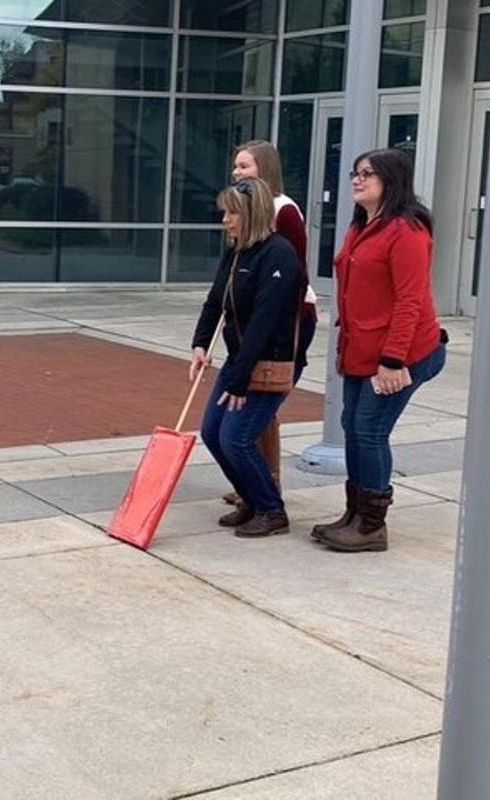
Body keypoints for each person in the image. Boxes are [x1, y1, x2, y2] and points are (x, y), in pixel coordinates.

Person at [311, 149, 447, 553]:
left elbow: (411, 300)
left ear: (392, 179)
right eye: (355, 173)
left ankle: (371, 526)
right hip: (362, 351)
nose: (357, 179)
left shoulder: (406, 231)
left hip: (401, 354)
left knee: (369, 431)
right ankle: (355, 513)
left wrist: (393, 361)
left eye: (367, 174)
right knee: (353, 426)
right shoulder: (362, 226)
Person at [190, 178, 308, 538]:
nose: (225, 219)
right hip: (239, 360)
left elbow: (264, 321)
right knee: (212, 433)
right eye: (224, 212)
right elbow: (216, 301)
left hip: (268, 363)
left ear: (252, 213)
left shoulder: (279, 254)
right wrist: (200, 343)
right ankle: (252, 499)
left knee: (236, 438)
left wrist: (242, 378)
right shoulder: (236, 250)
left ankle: (271, 510)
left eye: (232, 213)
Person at [220, 139, 320, 508]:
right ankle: (256, 478)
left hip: (288, 317)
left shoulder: (283, 210)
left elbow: (293, 269)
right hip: (256, 316)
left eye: (244, 166)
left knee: (262, 402)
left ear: (264, 167)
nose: (237, 172)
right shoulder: (242, 209)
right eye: (236, 166)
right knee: (255, 409)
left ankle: (267, 481)